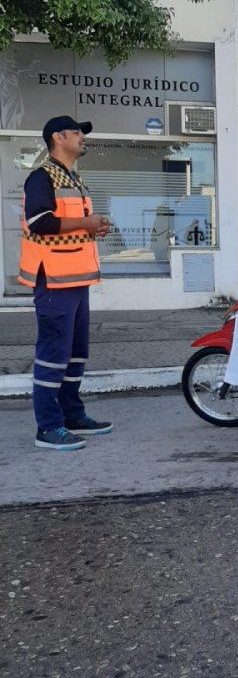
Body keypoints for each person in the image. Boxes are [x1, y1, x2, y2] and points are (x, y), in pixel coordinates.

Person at [19, 116, 113, 451]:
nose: (82, 138)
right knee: (53, 355)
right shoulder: (41, 177)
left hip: (76, 280)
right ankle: (47, 426)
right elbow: (39, 221)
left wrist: (93, 226)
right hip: (54, 282)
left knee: (75, 355)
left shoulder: (72, 178)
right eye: (76, 132)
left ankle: (72, 415)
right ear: (57, 138)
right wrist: (86, 221)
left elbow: (71, 224)